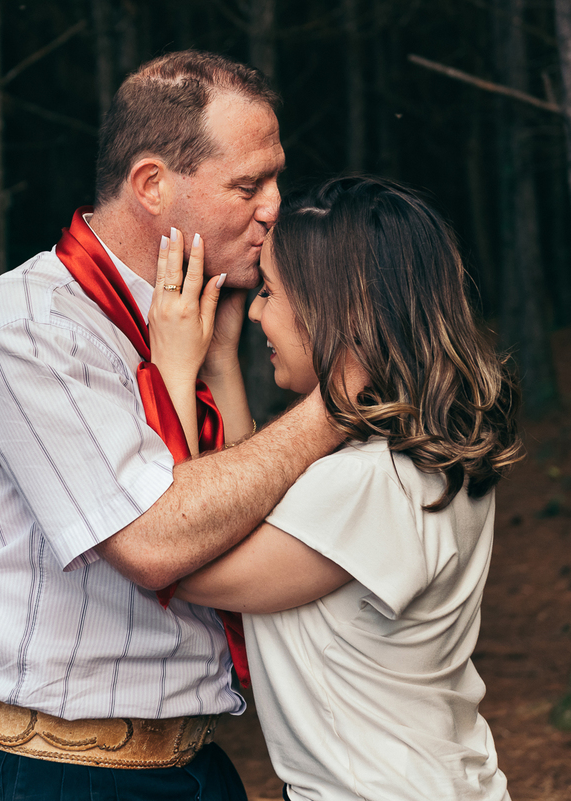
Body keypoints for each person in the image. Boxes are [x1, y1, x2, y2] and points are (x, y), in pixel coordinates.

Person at [0, 50, 343, 801]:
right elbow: (155, 542)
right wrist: (340, 408)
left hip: (192, 760)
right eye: (249, 184)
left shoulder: (212, 316)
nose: (275, 207)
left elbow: (237, 513)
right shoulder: (30, 327)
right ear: (152, 185)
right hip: (51, 776)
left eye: (276, 178)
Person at [155, 176, 521, 800]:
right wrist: (220, 365)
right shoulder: (413, 456)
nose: (259, 312)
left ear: (338, 309)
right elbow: (250, 502)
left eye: (270, 291)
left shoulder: (368, 483)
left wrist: (173, 365)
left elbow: (182, 554)